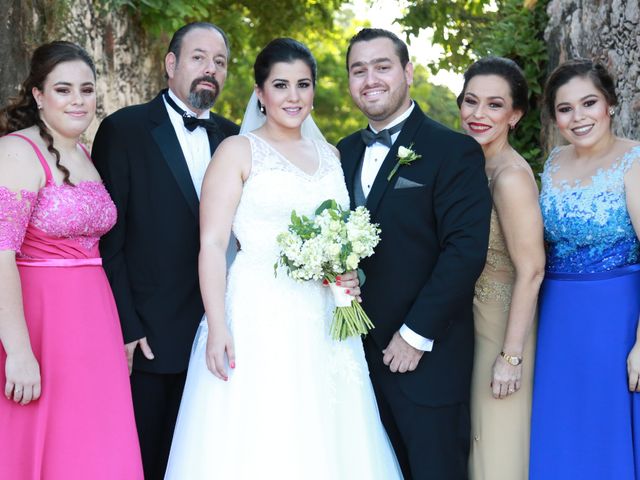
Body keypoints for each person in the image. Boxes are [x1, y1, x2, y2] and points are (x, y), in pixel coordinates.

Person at [164, 37, 402, 480]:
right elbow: (213, 244)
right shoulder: (237, 152)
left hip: (326, 316)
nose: (293, 97)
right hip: (259, 312)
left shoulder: (332, 156)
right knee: (264, 429)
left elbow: (341, 234)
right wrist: (218, 325)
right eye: (280, 85)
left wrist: (346, 270)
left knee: (330, 432)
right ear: (260, 92)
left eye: (303, 84)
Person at [337, 28, 492, 480]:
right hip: (353, 359)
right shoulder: (340, 154)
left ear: (407, 71)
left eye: (382, 66)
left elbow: (464, 251)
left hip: (427, 358)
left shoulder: (454, 151)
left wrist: (415, 334)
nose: (370, 79)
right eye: (358, 70)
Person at [91, 22, 239, 480]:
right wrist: (126, 327)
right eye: (198, 58)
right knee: (146, 458)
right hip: (149, 338)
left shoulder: (237, 140)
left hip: (220, 332)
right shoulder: (125, 129)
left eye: (219, 62)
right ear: (171, 64)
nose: (209, 70)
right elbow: (108, 240)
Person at [0, 41, 142, 479]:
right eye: (63, 89)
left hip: (95, 326)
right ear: (38, 95)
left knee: (95, 445)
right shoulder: (17, 152)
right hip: (42, 326)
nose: (78, 100)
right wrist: (18, 352)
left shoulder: (84, 154)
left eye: (86, 89)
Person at [530, 59, 640, 479]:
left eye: (588, 103)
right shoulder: (554, 162)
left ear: (610, 104)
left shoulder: (633, 162)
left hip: (616, 319)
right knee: (563, 426)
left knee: (606, 428)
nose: (578, 117)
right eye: (565, 108)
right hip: (559, 317)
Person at [457, 57, 545, 480]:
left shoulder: (510, 177)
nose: (478, 114)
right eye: (471, 101)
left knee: (498, 447)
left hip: (504, 326)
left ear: (515, 115)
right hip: (471, 322)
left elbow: (531, 269)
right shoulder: (473, 166)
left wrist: (511, 357)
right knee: (477, 444)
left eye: (494, 105)